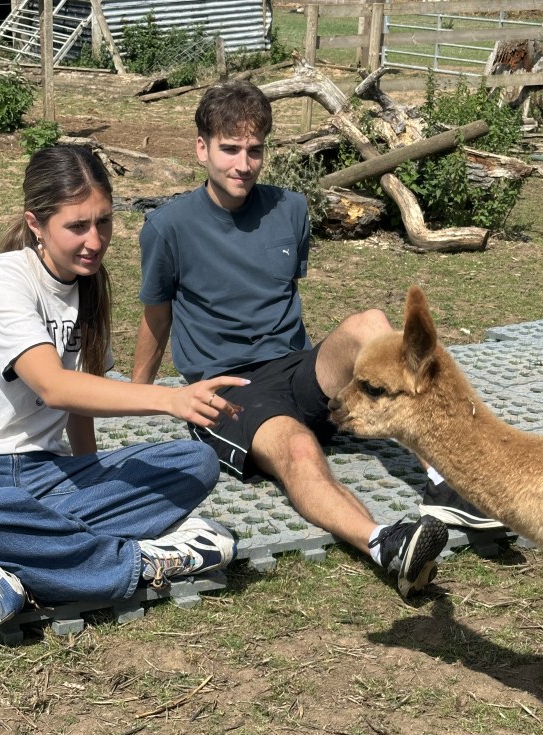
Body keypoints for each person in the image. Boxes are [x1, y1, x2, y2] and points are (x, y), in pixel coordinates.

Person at [132, 81, 497, 601]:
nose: (243, 164)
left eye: (254, 150)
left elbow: (284, 288)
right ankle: (384, 545)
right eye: (229, 149)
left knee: (372, 323)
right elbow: (155, 315)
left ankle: (449, 480)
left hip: (299, 367)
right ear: (202, 149)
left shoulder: (291, 209)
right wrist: (141, 394)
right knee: (299, 450)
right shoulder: (166, 227)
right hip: (231, 389)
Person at [0, 144, 250, 630]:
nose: (95, 240)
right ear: (35, 223)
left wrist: (92, 474)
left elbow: (80, 402)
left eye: (104, 222)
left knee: (194, 463)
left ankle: (16, 567)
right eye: (77, 226)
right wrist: (169, 399)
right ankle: (140, 563)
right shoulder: (3, 281)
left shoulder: (89, 284)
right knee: (4, 513)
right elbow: (56, 388)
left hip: (48, 477)